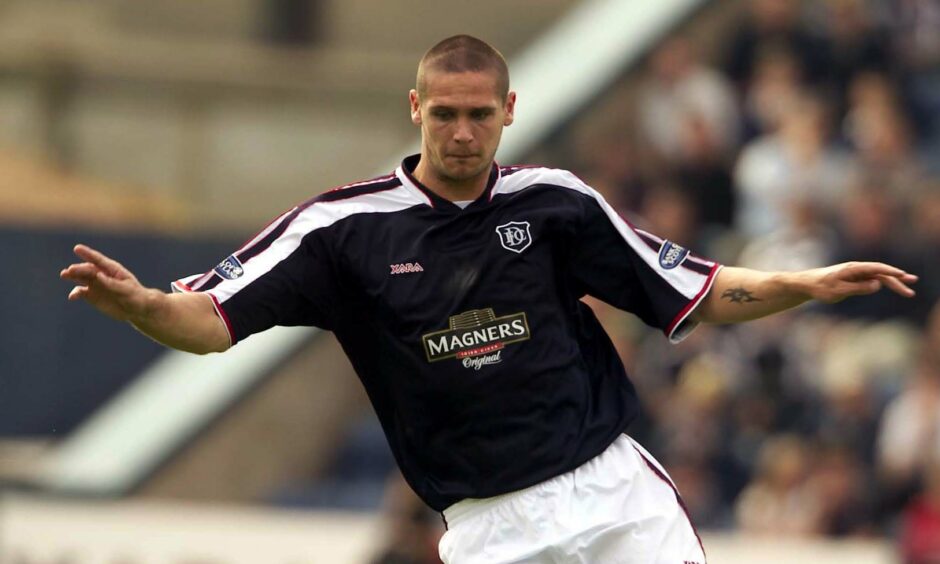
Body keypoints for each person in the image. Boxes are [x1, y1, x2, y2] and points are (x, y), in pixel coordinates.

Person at [60, 35, 918, 563]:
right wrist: (143, 307)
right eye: (444, 115)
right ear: (415, 109)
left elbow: (696, 291)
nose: (462, 133)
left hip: (614, 496)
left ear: (509, 110)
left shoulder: (556, 202)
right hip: (488, 528)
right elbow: (210, 324)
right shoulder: (340, 229)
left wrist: (805, 286)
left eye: (479, 114)